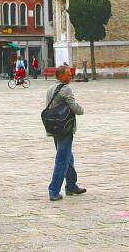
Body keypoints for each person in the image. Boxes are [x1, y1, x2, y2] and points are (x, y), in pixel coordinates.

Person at [46, 64, 86, 201]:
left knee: (68, 157)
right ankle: (54, 190)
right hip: (64, 127)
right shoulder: (66, 89)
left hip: (54, 126)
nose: (71, 76)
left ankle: (71, 185)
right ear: (61, 76)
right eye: (68, 74)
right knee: (62, 159)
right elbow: (75, 108)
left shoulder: (50, 88)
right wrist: (82, 109)